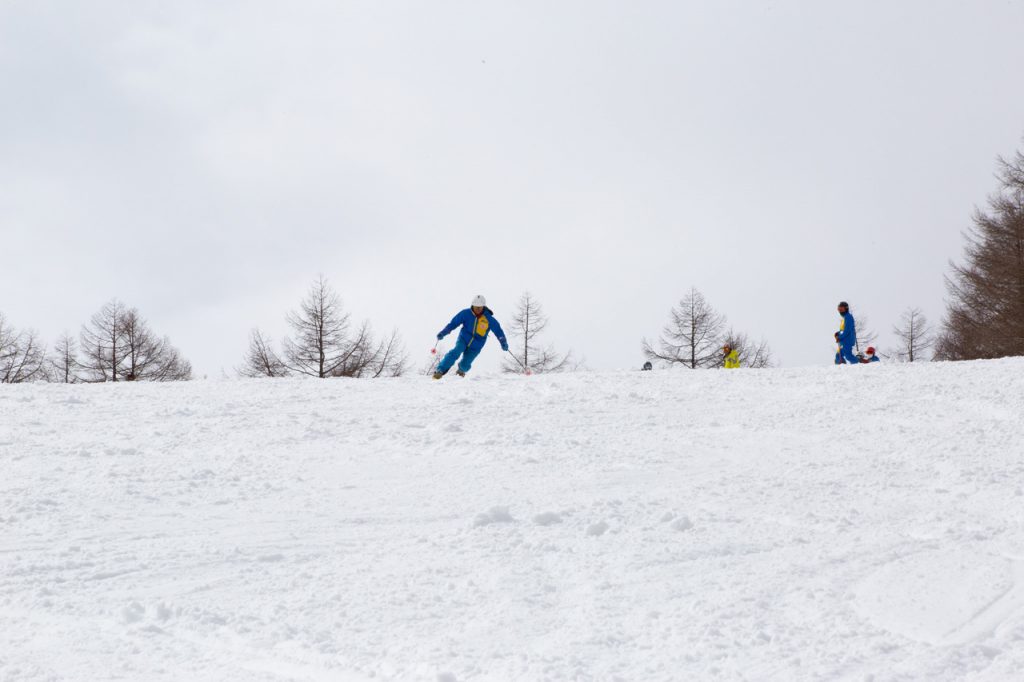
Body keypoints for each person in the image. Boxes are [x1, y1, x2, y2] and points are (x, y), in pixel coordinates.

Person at [433, 295, 508, 379]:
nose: (478, 309)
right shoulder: (465, 313)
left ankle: (460, 371)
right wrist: (443, 333)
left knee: (466, 363)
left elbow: (498, 331)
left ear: (483, 307)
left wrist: (503, 342)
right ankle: (440, 370)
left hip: (476, 345)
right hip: (463, 339)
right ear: (473, 305)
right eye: (476, 307)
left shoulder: (489, 319)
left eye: (480, 307)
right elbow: (453, 323)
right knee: (455, 352)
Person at [834, 301, 859, 365]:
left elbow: (847, 330)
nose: (840, 311)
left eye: (842, 309)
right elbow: (843, 330)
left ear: (846, 309)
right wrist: (838, 333)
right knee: (838, 356)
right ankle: (840, 369)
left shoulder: (848, 317)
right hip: (844, 340)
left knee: (848, 356)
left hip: (848, 340)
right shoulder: (844, 318)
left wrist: (839, 337)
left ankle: (859, 365)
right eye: (839, 309)